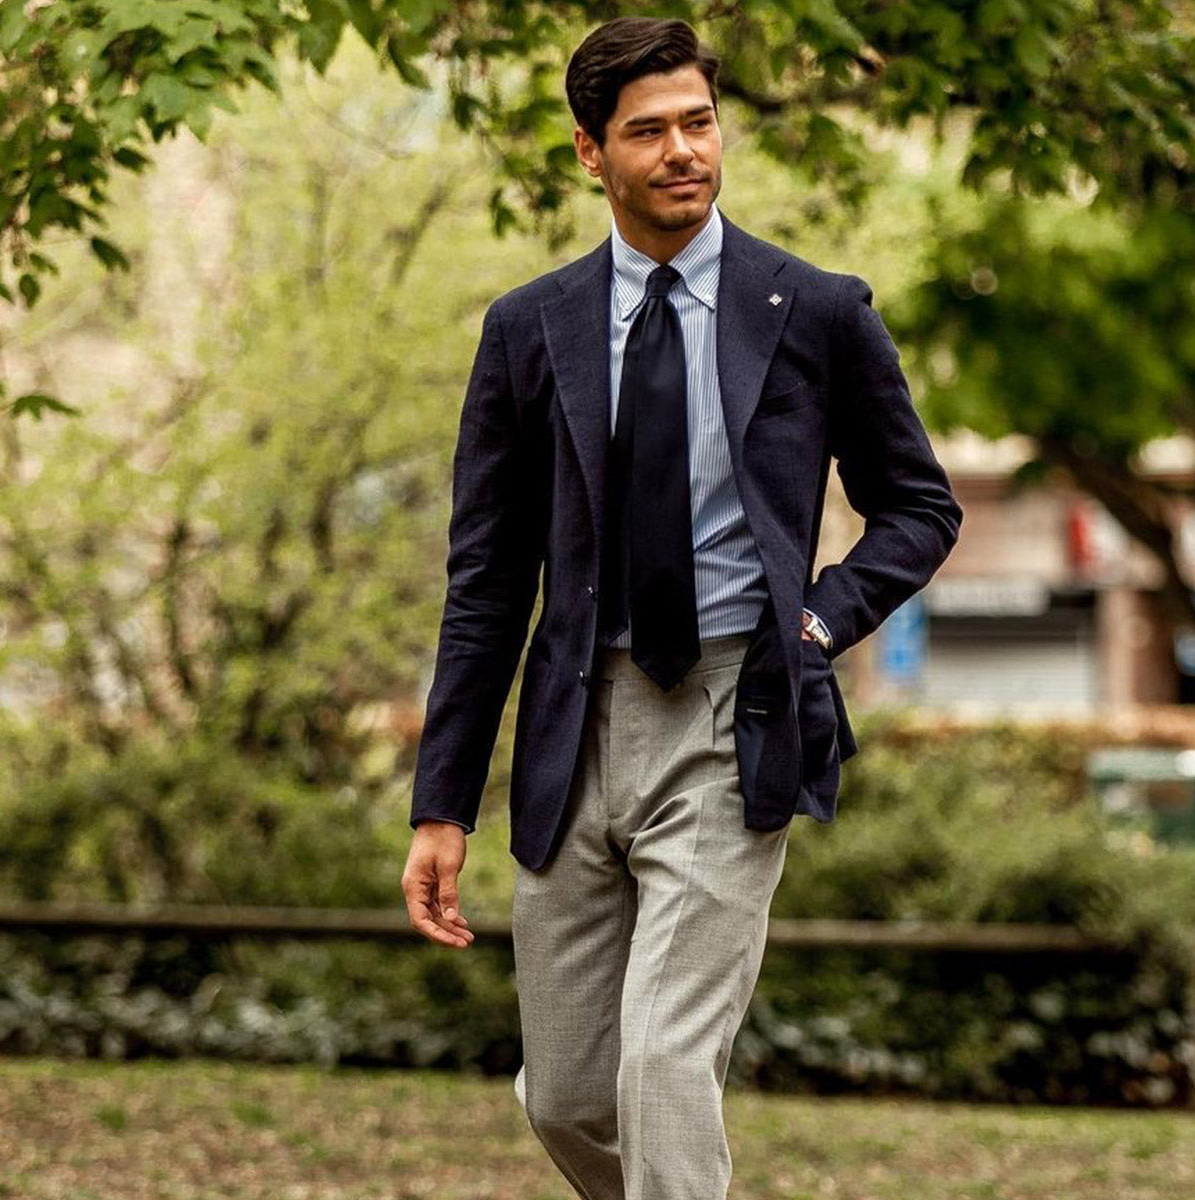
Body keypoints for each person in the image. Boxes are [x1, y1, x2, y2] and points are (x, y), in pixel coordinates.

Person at [401, 15, 963, 1199]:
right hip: (576, 728)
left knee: (663, 1067)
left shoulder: (814, 311)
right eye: (647, 132)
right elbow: (487, 582)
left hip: (736, 709)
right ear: (588, 154)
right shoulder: (527, 330)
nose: (682, 153)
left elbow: (918, 507)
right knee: (564, 1096)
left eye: (699, 123)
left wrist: (816, 619)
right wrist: (441, 802)